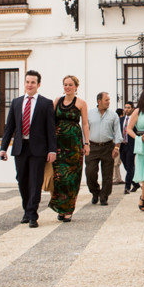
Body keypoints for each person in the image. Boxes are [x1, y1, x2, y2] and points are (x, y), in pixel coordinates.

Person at [0, 70, 57, 228]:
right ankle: (27, 209)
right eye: (27, 82)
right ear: (24, 83)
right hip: (20, 148)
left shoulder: (46, 103)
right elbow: (9, 127)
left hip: (38, 149)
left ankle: (32, 214)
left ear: (38, 84)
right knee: (22, 180)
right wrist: (3, 148)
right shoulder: (16, 102)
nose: (29, 85)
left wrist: (52, 150)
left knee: (35, 181)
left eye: (33, 82)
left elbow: (50, 130)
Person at [51, 75, 89, 222]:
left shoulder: (81, 103)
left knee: (72, 179)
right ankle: (61, 207)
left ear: (76, 87)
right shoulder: (57, 101)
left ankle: (68, 210)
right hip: (59, 145)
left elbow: (85, 124)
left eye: (70, 85)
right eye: (65, 84)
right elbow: (51, 120)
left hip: (74, 146)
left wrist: (86, 144)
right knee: (59, 178)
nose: (67, 87)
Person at [86, 91, 123, 206]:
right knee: (90, 172)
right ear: (99, 101)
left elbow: (117, 133)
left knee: (107, 174)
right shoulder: (89, 114)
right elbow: (84, 130)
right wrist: (84, 144)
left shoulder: (113, 115)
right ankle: (95, 192)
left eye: (109, 100)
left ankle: (104, 196)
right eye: (106, 100)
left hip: (108, 147)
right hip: (92, 147)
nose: (108, 102)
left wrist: (116, 147)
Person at [119, 101, 139, 194]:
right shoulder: (121, 119)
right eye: (125, 107)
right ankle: (136, 183)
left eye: (128, 107)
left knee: (130, 166)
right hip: (122, 146)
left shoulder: (135, 119)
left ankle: (127, 187)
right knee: (126, 166)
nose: (126, 109)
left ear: (133, 109)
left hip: (131, 145)